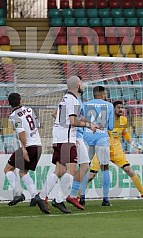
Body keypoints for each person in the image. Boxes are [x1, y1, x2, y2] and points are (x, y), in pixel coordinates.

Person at [39, 76, 98, 214]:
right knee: (71, 170)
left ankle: (41, 196)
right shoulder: (73, 99)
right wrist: (87, 125)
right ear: (78, 85)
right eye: (82, 83)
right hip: (67, 138)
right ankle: (59, 199)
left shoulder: (65, 98)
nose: (83, 85)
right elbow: (73, 121)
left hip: (59, 137)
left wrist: (90, 124)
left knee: (59, 170)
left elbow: (59, 115)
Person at [79, 101, 143, 205]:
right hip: (103, 147)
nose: (121, 110)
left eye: (122, 107)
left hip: (116, 149)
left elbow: (125, 133)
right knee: (91, 175)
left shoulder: (124, 120)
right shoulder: (107, 117)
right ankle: (78, 195)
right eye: (118, 107)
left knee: (129, 170)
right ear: (113, 109)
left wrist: (133, 143)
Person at [4, 93, 50, 214]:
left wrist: (23, 148)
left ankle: (18, 193)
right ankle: (37, 198)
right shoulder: (29, 109)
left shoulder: (14, 116)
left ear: (9, 103)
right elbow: (36, 125)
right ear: (20, 100)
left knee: (8, 169)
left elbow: (21, 133)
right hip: (38, 146)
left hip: (28, 146)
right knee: (23, 172)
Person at [81, 86, 114, 206]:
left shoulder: (85, 105)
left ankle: (82, 197)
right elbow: (110, 127)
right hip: (102, 139)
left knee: (85, 167)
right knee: (105, 167)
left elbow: (79, 120)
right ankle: (105, 199)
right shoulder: (109, 105)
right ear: (101, 94)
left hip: (86, 137)